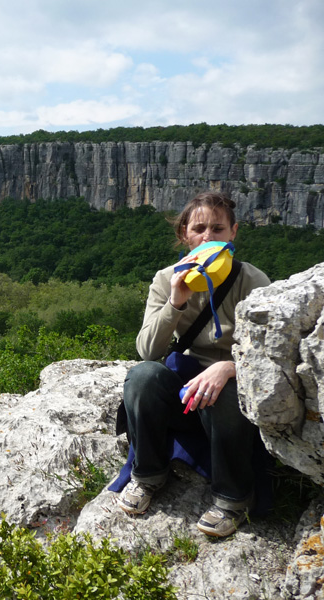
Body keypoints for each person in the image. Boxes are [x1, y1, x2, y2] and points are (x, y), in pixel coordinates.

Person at [117, 191, 270, 538]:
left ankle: (233, 498)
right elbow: (147, 350)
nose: (208, 237)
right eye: (199, 228)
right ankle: (148, 476)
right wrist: (176, 302)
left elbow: (269, 355)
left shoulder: (252, 280)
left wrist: (229, 367)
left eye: (218, 228)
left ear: (233, 233)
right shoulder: (166, 278)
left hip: (232, 395)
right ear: (185, 234)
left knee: (226, 392)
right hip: (187, 391)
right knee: (142, 377)